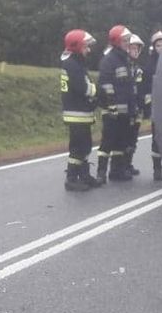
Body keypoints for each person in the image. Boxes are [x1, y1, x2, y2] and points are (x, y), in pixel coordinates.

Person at [59, 29, 102, 191]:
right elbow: (83, 88)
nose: (88, 50)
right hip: (76, 114)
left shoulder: (75, 63)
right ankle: (71, 179)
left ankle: (84, 175)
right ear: (77, 46)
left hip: (81, 113)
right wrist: (99, 92)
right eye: (85, 46)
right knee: (78, 148)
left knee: (85, 146)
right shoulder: (72, 65)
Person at [96, 25, 137, 183]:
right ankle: (101, 173)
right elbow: (105, 85)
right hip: (111, 111)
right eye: (125, 41)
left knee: (121, 142)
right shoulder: (109, 60)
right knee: (107, 142)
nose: (127, 43)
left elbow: (129, 87)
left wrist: (132, 109)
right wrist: (111, 105)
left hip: (125, 112)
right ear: (116, 42)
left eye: (128, 40)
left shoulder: (125, 60)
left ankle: (116, 171)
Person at [125, 33, 147, 177]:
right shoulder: (124, 66)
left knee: (133, 138)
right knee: (125, 138)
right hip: (127, 109)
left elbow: (140, 89)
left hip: (137, 109)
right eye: (133, 48)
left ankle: (128, 164)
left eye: (137, 48)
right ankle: (121, 165)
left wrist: (143, 106)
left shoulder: (137, 67)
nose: (135, 51)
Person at [146, 31, 162, 180]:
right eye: (158, 45)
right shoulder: (149, 66)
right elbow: (146, 88)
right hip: (156, 107)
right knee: (156, 138)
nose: (161, 48)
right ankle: (157, 169)